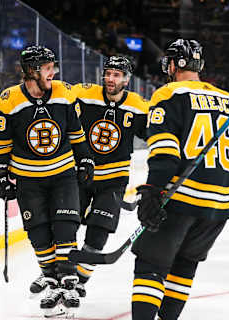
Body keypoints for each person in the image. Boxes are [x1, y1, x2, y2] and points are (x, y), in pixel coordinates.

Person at [130, 39, 229, 320]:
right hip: (217, 209)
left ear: (176, 64)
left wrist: (153, 190)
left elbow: (165, 152)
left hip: (180, 199)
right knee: (184, 265)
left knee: (151, 265)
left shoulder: (168, 94)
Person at [0, 45, 94, 315]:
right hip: (27, 178)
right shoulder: (9, 99)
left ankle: (67, 281)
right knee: (38, 233)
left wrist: (85, 159)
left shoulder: (64, 92)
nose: (53, 72)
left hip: (62, 174)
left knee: (65, 227)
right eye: (48, 68)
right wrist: (0, 173)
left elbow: (76, 131)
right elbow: (0, 142)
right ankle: (52, 281)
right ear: (32, 71)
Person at [72, 56, 148, 297]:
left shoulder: (137, 105)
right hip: (81, 173)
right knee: (65, 224)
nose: (110, 78)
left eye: (116, 75)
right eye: (108, 73)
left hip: (114, 179)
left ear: (126, 79)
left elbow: (157, 135)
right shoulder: (84, 94)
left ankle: (79, 283)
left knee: (98, 232)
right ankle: (59, 273)